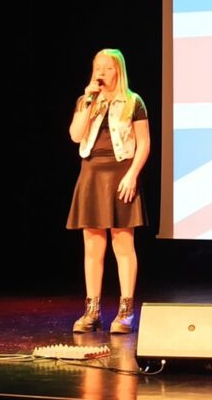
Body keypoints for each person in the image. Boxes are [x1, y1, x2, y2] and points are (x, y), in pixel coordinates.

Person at [67, 48, 150, 334]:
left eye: (108, 68)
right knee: (92, 245)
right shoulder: (86, 101)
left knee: (122, 243)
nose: (101, 72)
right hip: (91, 172)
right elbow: (75, 135)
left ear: (119, 71)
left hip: (121, 172)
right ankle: (92, 310)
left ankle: (126, 311)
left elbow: (144, 143)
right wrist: (87, 103)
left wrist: (132, 175)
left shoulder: (133, 102)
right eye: (97, 68)